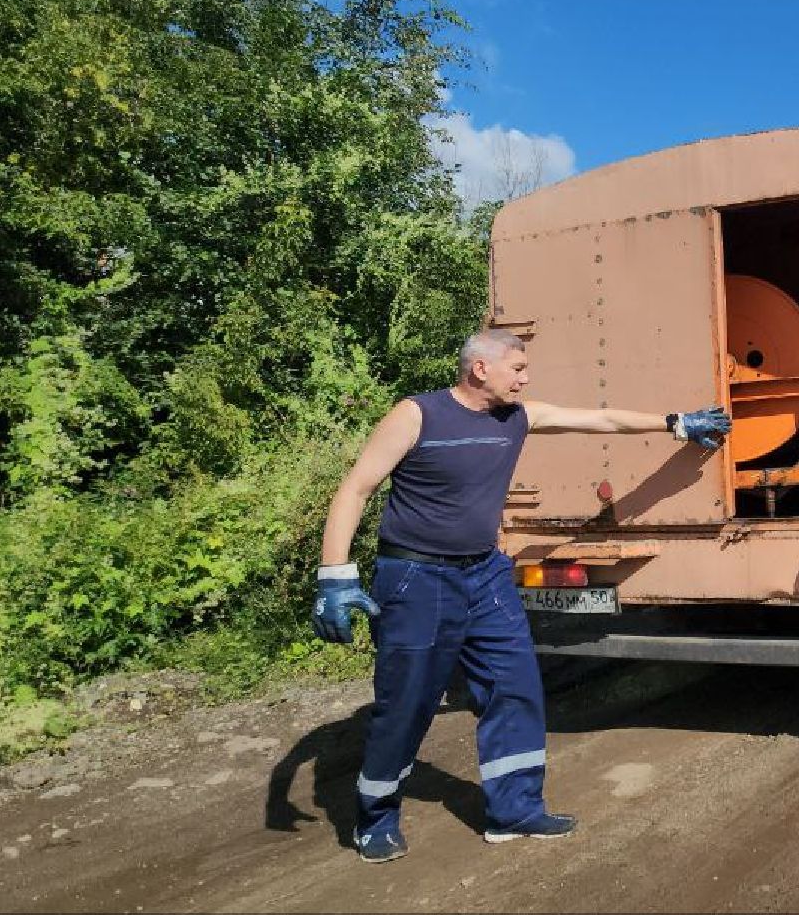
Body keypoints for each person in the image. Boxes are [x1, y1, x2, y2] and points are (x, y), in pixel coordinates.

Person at [312, 328, 731, 863]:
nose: (526, 378)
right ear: (481, 369)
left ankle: (514, 811)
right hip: (417, 579)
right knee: (408, 701)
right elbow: (355, 488)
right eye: (518, 368)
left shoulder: (519, 418)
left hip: (485, 574)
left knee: (514, 685)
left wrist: (674, 424)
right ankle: (375, 819)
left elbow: (598, 419)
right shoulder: (417, 415)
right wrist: (335, 574)